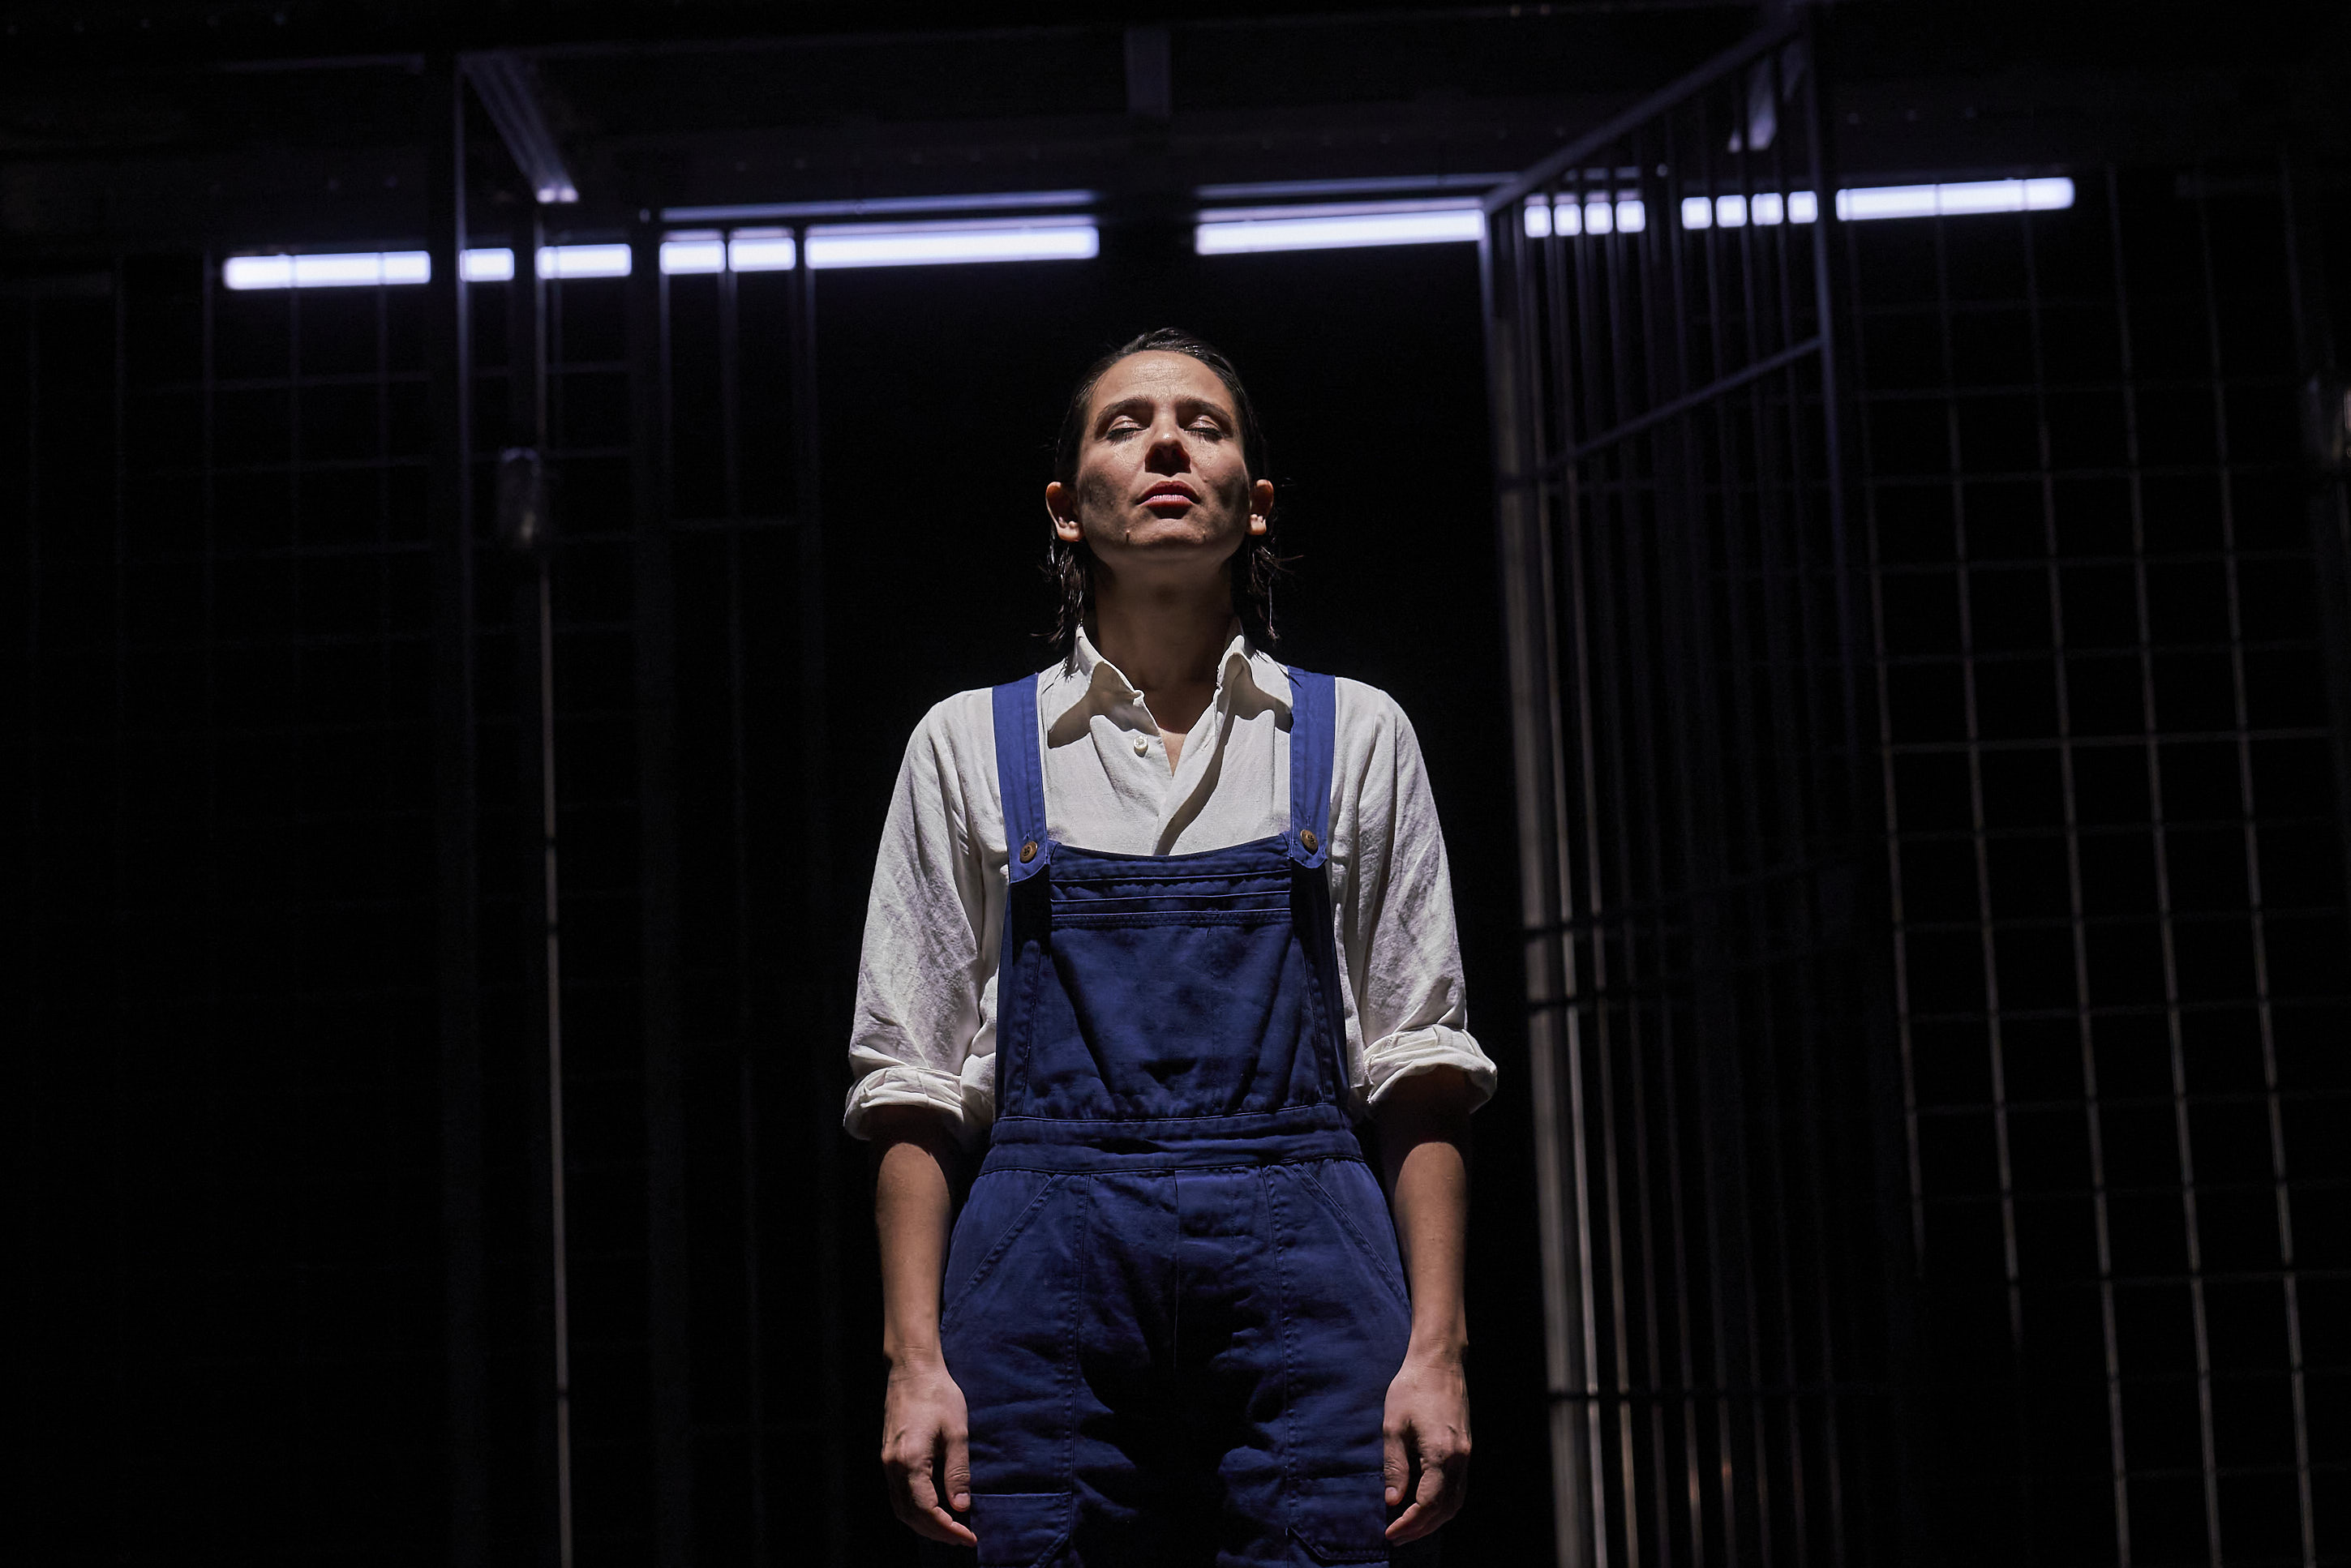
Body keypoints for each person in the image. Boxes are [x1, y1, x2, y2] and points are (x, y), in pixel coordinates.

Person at [846, 328, 1495, 1566]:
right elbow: (911, 1083)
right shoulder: (966, 747)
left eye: (1202, 424)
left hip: (1309, 1272)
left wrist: (1439, 1347)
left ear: (1256, 504)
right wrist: (912, 1359)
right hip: (1044, 1282)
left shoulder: (1356, 736)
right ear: (1065, 507)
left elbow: (1421, 1065)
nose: (1164, 446)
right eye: (1124, 424)